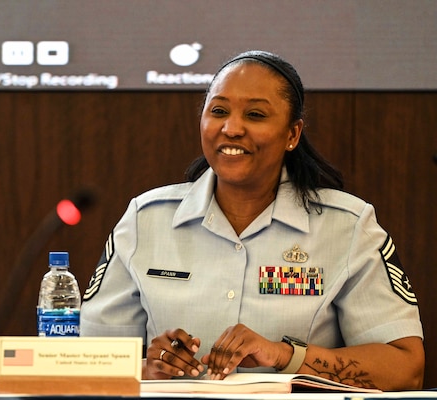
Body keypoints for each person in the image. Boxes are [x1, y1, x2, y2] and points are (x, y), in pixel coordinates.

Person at [79, 50, 425, 390]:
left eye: (256, 115)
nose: (231, 128)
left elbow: (406, 366)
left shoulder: (348, 226)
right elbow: (85, 360)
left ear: (292, 134)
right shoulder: (145, 219)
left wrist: (283, 355)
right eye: (218, 111)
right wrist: (148, 366)